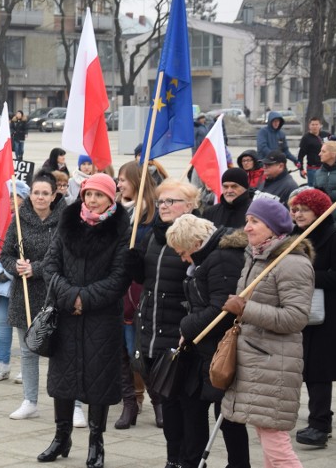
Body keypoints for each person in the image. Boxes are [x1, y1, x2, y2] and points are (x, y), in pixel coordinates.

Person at [38, 173, 130, 466]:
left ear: (110, 198)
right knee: (63, 380)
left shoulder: (121, 229)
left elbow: (119, 278)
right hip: (66, 316)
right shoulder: (68, 223)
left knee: (99, 381)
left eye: (99, 195)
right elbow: (51, 266)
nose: (92, 200)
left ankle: (96, 441)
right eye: (88, 194)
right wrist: (70, 297)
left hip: (101, 319)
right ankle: (61, 436)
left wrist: (84, 299)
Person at [221, 197, 312, 467]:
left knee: (276, 444)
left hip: (275, 363)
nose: (247, 227)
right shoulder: (256, 256)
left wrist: (245, 309)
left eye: (255, 221)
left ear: (273, 228)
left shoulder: (291, 262)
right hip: (256, 361)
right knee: (268, 438)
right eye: (247, 220)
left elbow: (296, 317)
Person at [165, 215, 251, 468]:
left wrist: (186, 326)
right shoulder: (208, 258)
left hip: (218, 350)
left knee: (227, 417)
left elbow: (221, 309)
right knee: (192, 407)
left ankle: (237, 464)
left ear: (196, 242)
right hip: (201, 350)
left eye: (183, 253)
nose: (183, 259)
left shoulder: (222, 258)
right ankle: (190, 461)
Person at [127, 179, 198, 465]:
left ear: (190, 206)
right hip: (154, 330)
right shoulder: (153, 236)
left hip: (182, 332)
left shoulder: (195, 236)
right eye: (162, 202)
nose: (164, 206)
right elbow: (148, 279)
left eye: (172, 201)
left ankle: (189, 459)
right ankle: (172, 458)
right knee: (168, 403)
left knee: (187, 406)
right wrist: (134, 265)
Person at [1, 172, 61, 420]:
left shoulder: (64, 221)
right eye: (36, 192)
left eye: (45, 193)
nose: (40, 197)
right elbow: (5, 254)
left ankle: (73, 405)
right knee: (27, 351)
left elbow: (64, 258)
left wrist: (35, 268)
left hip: (55, 294)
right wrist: (15, 266)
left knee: (63, 352)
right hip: (24, 294)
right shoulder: (18, 220)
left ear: (53, 196)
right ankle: (30, 400)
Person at [289, 189, 336, 448]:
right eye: (295, 209)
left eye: (304, 209)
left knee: (318, 370)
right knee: (304, 368)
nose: (298, 214)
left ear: (319, 212)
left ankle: (319, 424)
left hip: (327, 316)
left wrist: (306, 277)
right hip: (298, 310)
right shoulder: (293, 237)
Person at [114, 161, 158, 430]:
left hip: (142, 290)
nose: (119, 184)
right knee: (124, 351)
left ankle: (158, 402)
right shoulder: (116, 210)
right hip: (117, 290)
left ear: (137, 181)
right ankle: (130, 403)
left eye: (123, 179)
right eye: (118, 180)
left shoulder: (152, 213)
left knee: (140, 351)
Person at [0, 179, 30, 385]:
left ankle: (26, 367)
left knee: (24, 326)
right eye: (8, 197)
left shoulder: (29, 220)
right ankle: (2, 364)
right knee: (2, 326)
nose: (12, 201)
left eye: (16, 196)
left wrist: (12, 272)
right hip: (2, 285)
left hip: (22, 282)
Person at [313, 140, 336, 226]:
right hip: (323, 222)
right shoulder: (318, 173)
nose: (319, 154)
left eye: (323, 151)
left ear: (333, 154)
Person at [297, 117, 331, 186]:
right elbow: (300, 155)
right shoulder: (306, 138)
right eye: (313, 124)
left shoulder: (326, 135)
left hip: (325, 168)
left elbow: (335, 144)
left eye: (316, 124)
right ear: (309, 126)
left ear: (320, 125)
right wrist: (301, 169)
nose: (315, 126)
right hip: (313, 169)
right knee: (313, 189)